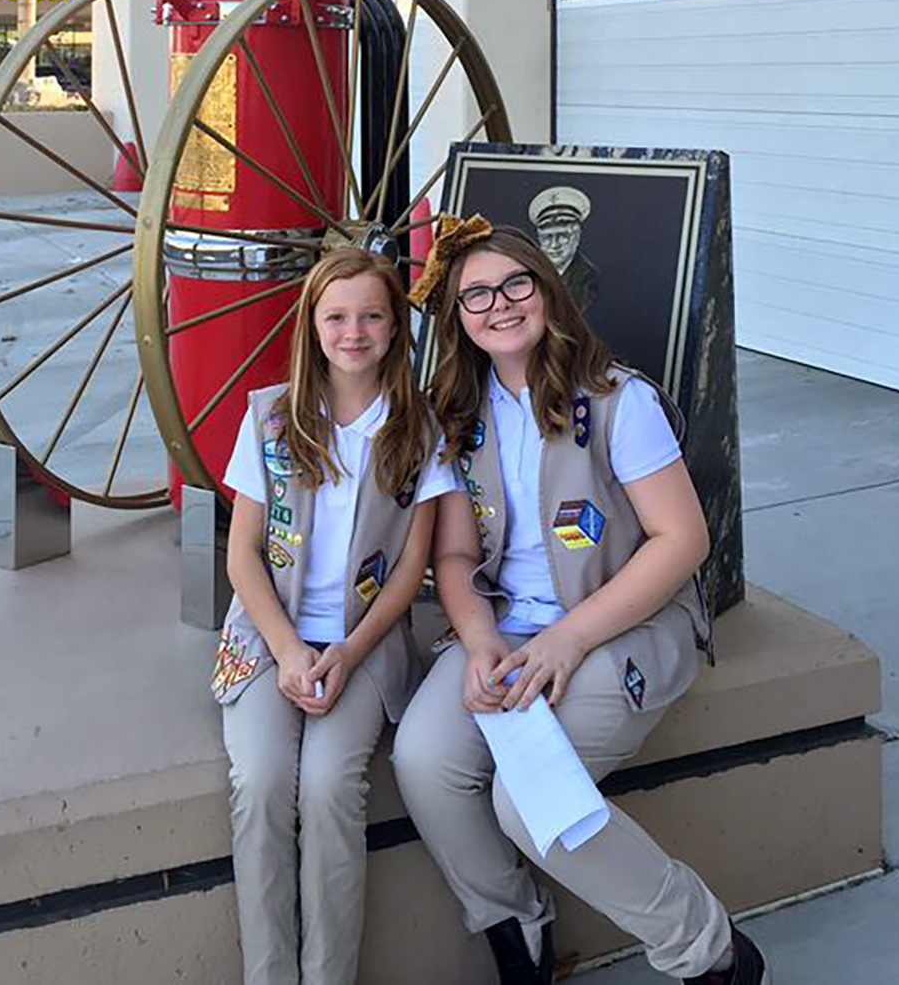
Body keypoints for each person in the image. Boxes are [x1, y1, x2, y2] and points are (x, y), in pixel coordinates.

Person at [394, 218, 765, 985]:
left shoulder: (617, 400)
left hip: (620, 619)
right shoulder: (458, 415)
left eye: (515, 284)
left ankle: (711, 949)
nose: (499, 305)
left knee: (528, 804)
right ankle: (519, 935)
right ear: (457, 318)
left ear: (547, 288)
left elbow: (680, 539)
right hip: (505, 624)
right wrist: (479, 637)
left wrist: (568, 641)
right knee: (423, 758)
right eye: (475, 296)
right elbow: (458, 556)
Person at [215, 248, 457, 985]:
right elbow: (242, 554)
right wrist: (287, 649)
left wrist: (346, 654)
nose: (354, 331)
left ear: (394, 328)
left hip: (363, 641)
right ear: (313, 326)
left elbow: (410, 572)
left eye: (372, 315)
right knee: (258, 782)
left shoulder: (420, 433)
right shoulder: (269, 416)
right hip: (269, 634)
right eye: (337, 316)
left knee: (329, 786)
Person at [526, 185, 600, 313]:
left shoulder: (587, 277)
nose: (554, 245)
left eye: (562, 236)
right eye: (547, 237)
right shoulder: (531, 272)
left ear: (576, 236)